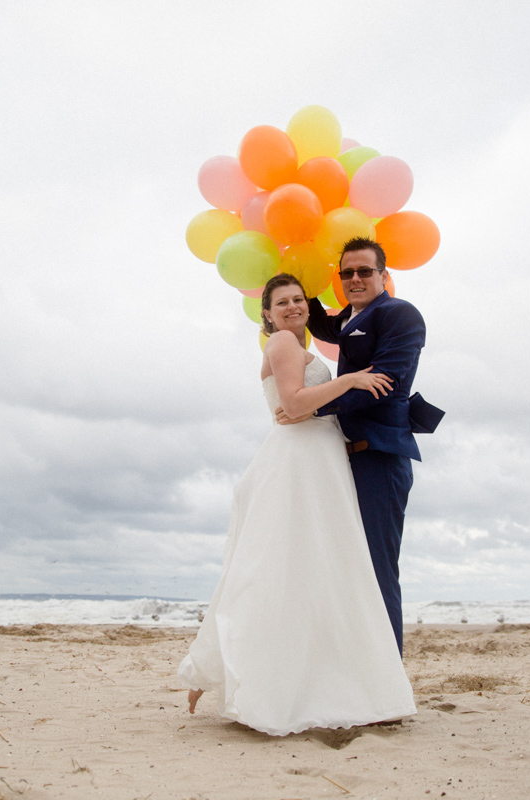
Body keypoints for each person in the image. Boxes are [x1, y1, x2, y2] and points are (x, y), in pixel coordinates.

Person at [178, 273, 416, 737]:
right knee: (285, 571)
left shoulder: (297, 342)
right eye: (280, 301)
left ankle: (294, 677)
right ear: (266, 313)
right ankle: (243, 677)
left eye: (297, 300)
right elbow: (295, 402)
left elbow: (304, 405)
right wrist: (349, 379)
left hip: (318, 461)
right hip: (300, 463)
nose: (291, 306)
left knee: (309, 573)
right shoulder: (284, 342)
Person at [287, 237, 442, 656]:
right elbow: (322, 325)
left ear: (384, 275)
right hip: (344, 459)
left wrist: (310, 409)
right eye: (346, 273)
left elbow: (385, 384)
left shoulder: (398, 314)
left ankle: (388, 677)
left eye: (364, 272)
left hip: (379, 458)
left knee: (376, 570)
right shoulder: (353, 317)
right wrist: (298, 276)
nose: (354, 279)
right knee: (346, 568)